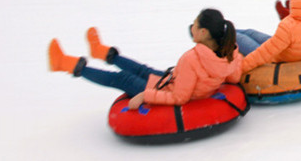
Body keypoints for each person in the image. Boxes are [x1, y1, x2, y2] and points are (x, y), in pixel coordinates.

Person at [48, 9, 242, 109]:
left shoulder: (192, 58)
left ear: (203, 32)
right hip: (174, 81)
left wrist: (144, 95)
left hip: (171, 89)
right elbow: (233, 78)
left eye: (195, 24)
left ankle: (67, 64)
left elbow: (180, 98)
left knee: (122, 79)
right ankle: (103, 53)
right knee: (142, 69)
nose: (191, 27)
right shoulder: (231, 54)